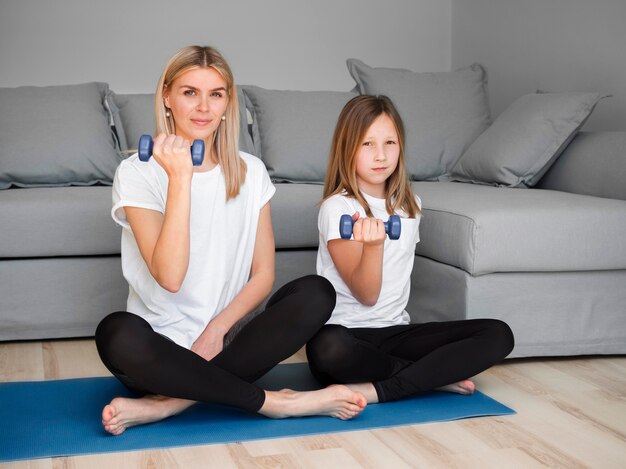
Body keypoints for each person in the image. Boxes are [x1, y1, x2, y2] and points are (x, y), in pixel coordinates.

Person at [95, 46, 366, 435]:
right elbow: (170, 276)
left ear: (227, 103)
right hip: (162, 355)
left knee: (316, 292)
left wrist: (217, 329)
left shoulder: (251, 171)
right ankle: (277, 403)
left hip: (229, 347)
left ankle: (169, 405)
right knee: (115, 333)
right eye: (190, 92)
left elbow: (263, 275)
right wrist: (180, 178)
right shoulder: (136, 172)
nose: (203, 106)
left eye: (216, 94)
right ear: (167, 97)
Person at [306, 95, 514, 405]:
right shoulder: (338, 208)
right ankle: (426, 378)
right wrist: (373, 247)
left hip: (395, 335)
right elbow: (367, 295)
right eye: (367, 144)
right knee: (329, 350)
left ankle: (384, 388)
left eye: (389, 142)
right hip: (347, 335)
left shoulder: (410, 206)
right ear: (347, 148)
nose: (380, 155)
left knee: (499, 334)